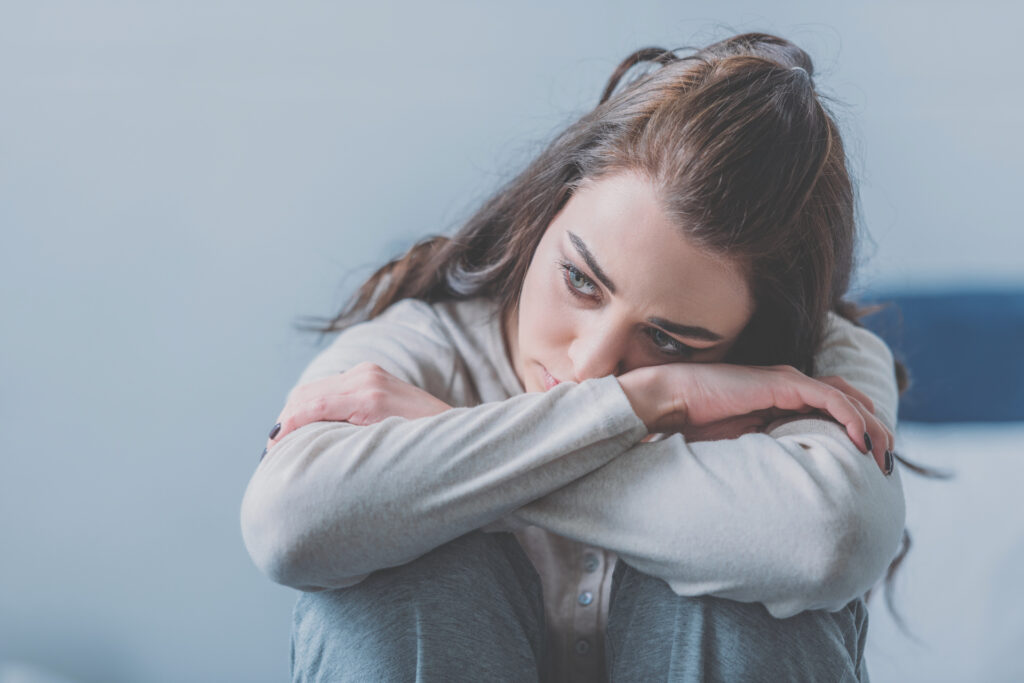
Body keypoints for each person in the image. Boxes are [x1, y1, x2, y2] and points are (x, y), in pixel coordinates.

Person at [241, 32, 906, 682]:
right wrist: (648, 397)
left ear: (755, 337)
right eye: (581, 281)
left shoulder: (813, 373)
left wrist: (447, 445)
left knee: (755, 586)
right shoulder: (423, 347)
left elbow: (830, 540)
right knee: (397, 574)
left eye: (668, 339)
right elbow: (287, 523)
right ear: (548, 211)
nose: (589, 366)